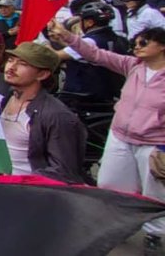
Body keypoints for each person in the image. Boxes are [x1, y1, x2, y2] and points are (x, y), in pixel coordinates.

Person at [50, 22, 165, 252]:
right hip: (120, 136)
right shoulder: (133, 66)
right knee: (110, 184)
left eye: (144, 42)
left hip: (154, 143)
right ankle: (121, 224)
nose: (137, 46)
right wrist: (67, 36)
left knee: (155, 192)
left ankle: (154, 234)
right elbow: (96, 55)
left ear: (162, 46)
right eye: (136, 42)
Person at [0, 42, 86, 184]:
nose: (11, 67)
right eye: (10, 60)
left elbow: (63, 172)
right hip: (1, 185)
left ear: (42, 74)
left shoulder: (56, 115)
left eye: (23, 64)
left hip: (31, 191)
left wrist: (21, 182)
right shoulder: (7, 97)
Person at [59, 2, 126, 104]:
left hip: (83, 95)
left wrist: (45, 43)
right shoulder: (118, 38)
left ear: (89, 22)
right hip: (107, 91)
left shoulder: (90, 41)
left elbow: (55, 56)